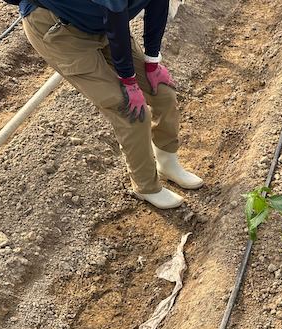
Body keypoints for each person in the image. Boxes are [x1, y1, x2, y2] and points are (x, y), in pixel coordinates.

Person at [15, 0, 203, 209]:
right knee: (128, 107)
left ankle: (168, 163)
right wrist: (129, 82)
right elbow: (114, 12)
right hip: (59, 29)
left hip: (100, 20)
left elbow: (156, 4)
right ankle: (146, 186)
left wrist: (152, 61)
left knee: (163, 92)